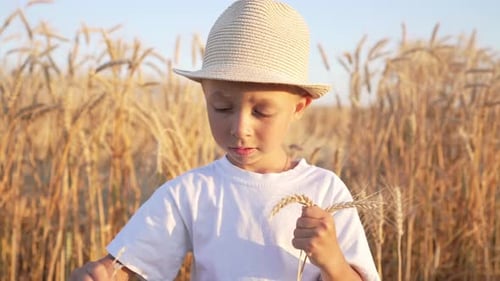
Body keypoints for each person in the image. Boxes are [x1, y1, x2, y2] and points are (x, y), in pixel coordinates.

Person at [69, 0, 380, 280]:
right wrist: (102, 274)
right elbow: (126, 265)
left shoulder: (325, 191)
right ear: (205, 97)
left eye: (261, 111)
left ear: (298, 107)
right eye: (222, 107)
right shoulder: (190, 193)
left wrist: (333, 262)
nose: (239, 127)